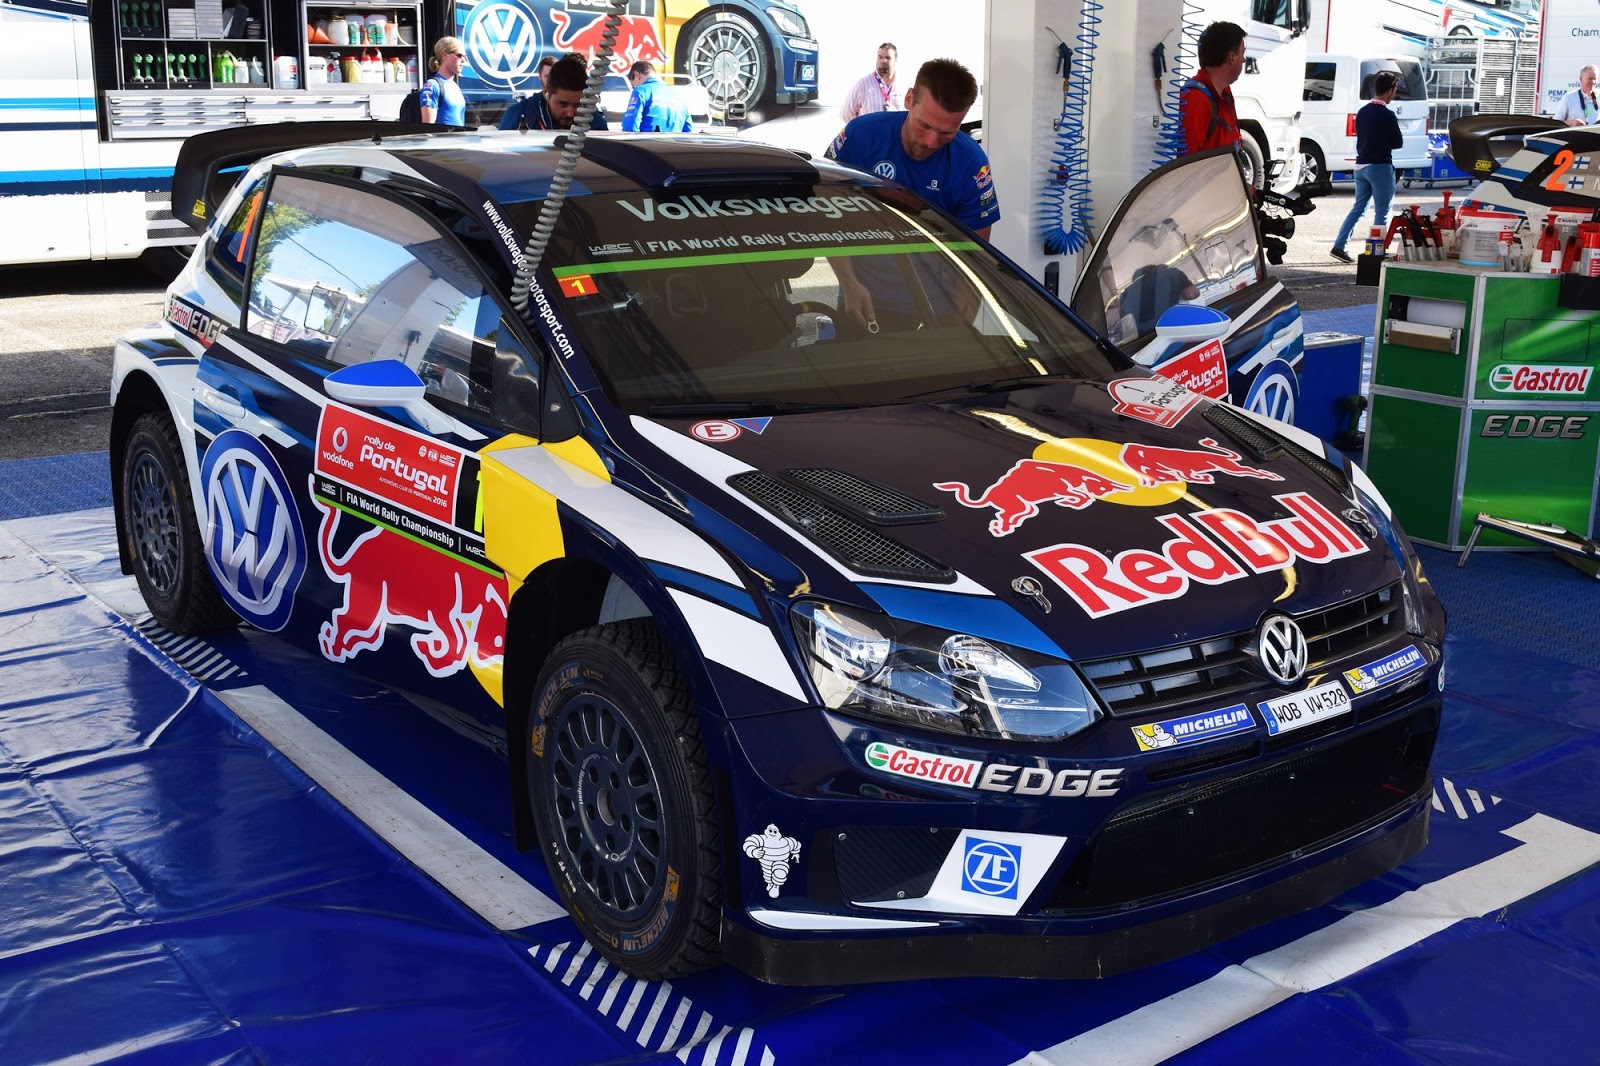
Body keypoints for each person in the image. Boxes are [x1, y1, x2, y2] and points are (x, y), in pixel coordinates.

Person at [824, 58, 998, 332]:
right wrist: (848, 283)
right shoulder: (861, 137)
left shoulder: (971, 164)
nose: (931, 141)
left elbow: (975, 248)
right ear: (908, 99)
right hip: (867, 298)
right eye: (924, 125)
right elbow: (828, 215)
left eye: (946, 133)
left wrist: (965, 311)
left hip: (940, 308)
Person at [1331, 69, 1404, 263]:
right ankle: (1377, 251)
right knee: (1382, 211)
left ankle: (1339, 246)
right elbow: (1398, 142)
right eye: (1395, 90)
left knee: (1358, 208)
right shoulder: (1387, 115)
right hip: (1380, 167)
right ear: (1390, 90)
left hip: (1361, 166)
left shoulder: (1362, 112)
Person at [1180, 22, 1246, 156]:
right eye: (1242, 53)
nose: (1244, 60)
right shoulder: (1195, 100)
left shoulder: (1224, 95)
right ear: (1231, 58)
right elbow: (1186, 163)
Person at [498, 55, 609, 131]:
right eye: (563, 104)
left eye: (577, 105)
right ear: (547, 92)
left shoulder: (595, 121)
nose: (570, 113)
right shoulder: (516, 116)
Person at [1117, 264, 1200, 337]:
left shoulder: (1125, 294)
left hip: (1144, 340)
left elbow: (1124, 322)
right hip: (1174, 330)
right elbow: (1193, 293)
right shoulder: (1172, 273)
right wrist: (1179, 294)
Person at [622, 61, 692, 132]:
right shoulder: (679, 96)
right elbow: (689, 131)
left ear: (637, 75)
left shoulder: (640, 91)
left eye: (633, 85)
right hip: (675, 139)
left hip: (649, 138)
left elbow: (630, 126)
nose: (634, 87)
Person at [839, 42, 900, 123]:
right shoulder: (863, 85)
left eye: (888, 58)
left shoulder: (903, 87)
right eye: (880, 57)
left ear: (895, 60)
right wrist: (862, 128)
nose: (883, 61)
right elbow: (845, 114)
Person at [419, 37, 466, 126]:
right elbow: (428, 128)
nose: (463, 60)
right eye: (459, 55)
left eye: (464, 57)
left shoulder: (455, 86)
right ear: (444, 55)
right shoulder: (432, 86)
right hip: (442, 135)